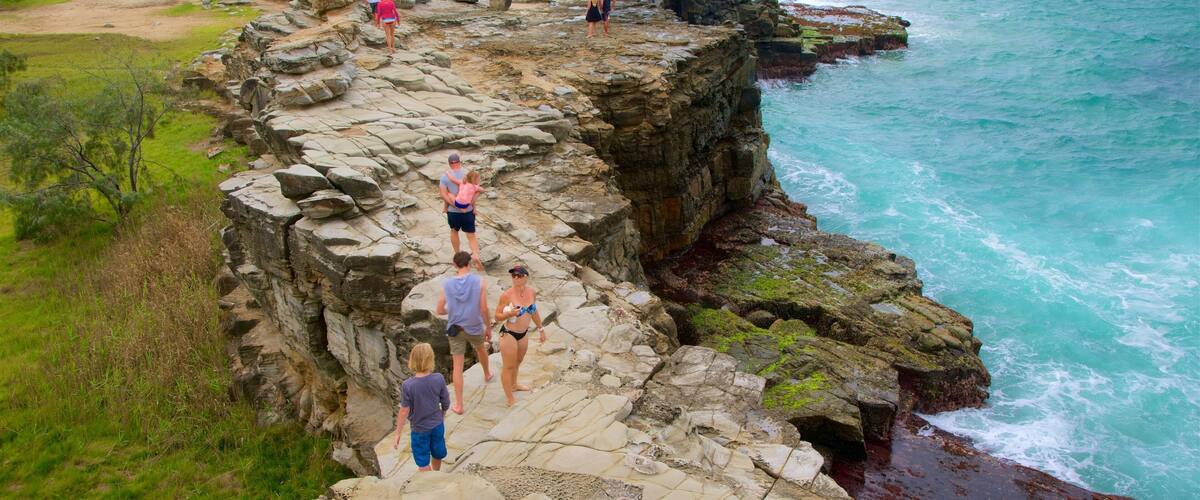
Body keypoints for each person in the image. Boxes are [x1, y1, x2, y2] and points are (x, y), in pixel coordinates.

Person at [436, 251, 493, 414]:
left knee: (457, 366)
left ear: (454, 265)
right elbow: (483, 308)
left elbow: (439, 310)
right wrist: (488, 327)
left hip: (455, 328)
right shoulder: (479, 281)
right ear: (470, 264)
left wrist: (452, 310)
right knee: (481, 348)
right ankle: (487, 373)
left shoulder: (446, 284)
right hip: (474, 325)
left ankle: (459, 405)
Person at [493, 265, 546, 407]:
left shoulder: (531, 293)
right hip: (509, 334)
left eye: (519, 275)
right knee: (508, 366)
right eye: (513, 276)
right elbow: (497, 316)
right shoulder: (507, 295)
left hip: (523, 333)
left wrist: (541, 328)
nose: (515, 278)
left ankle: (514, 384)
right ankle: (510, 398)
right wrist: (508, 314)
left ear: (526, 277)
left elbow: (533, 311)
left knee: (518, 361)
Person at [392, 343, 450, 471]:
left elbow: (404, 410)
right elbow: (445, 400)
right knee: (437, 452)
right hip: (437, 425)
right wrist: (443, 413)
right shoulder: (438, 378)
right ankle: (436, 473)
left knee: (422, 460)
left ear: (412, 360)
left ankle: (428, 482)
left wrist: (398, 433)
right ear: (431, 359)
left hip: (419, 429)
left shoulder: (408, 385)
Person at [439, 153, 484, 271]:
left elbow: (443, 194)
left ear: (450, 164)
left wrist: (454, 206)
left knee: (454, 231)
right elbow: (475, 192)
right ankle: (475, 255)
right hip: (468, 211)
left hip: (453, 211)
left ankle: (458, 255)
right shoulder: (469, 174)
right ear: (460, 162)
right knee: (471, 235)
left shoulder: (445, 177)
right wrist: (473, 207)